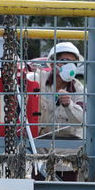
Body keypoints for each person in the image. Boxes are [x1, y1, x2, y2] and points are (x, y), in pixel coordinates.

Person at [36, 42, 86, 181]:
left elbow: (82, 118)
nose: (70, 66)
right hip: (40, 151)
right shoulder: (38, 80)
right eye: (65, 61)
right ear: (52, 64)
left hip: (68, 156)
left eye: (74, 63)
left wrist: (69, 104)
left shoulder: (79, 90)